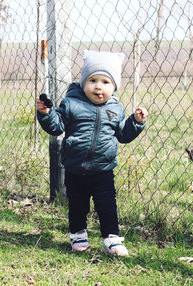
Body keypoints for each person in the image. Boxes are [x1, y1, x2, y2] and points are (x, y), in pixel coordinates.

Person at [36, 50, 148, 256]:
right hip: (75, 167)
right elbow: (57, 126)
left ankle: (111, 239)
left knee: (107, 205)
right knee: (78, 205)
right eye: (93, 80)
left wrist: (136, 122)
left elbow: (123, 134)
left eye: (105, 82)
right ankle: (78, 235)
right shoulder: (72, 103)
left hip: (103, 169)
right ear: (83, 83)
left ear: (114, 86)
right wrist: (46, 114)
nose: (98, 86)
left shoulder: (116, 109)